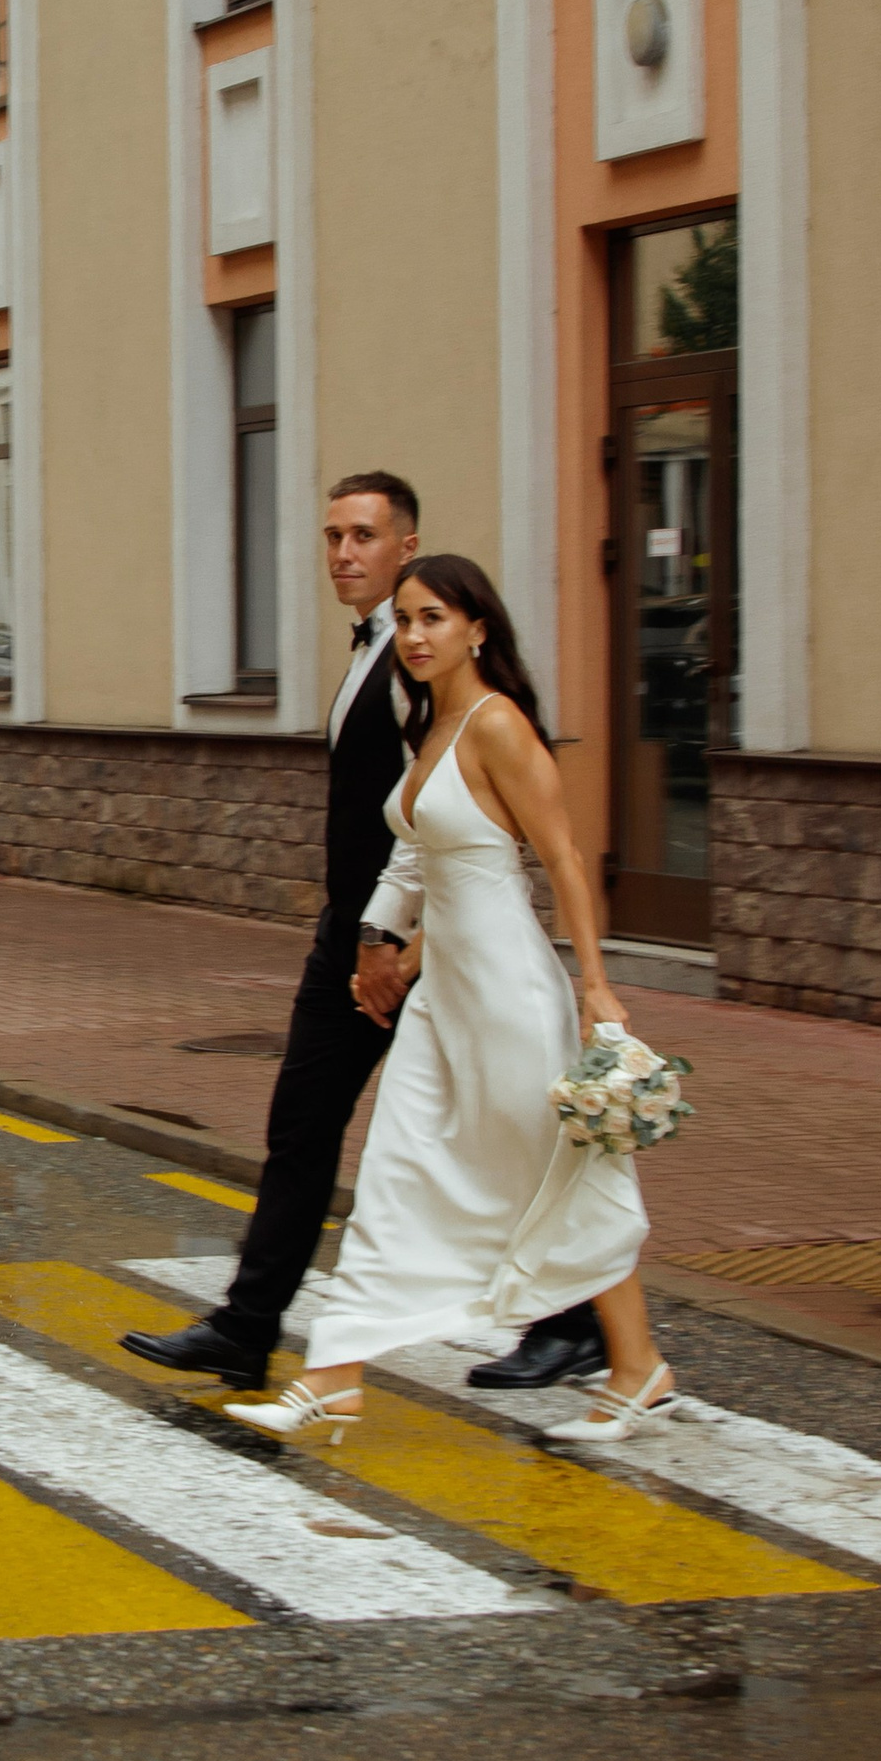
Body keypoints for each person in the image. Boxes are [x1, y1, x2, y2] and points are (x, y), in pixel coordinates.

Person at [123, 475, 603, 1395]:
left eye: (364, 536)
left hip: (410, 945)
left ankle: (573, 1320)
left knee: (500, 1129)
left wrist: (388, 942)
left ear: (407, 544)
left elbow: (448, 815)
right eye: (333, 536)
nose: (343, 553)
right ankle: (246, 1325)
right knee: (307, 1127)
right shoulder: (375, 652)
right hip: (358, 934)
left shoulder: (421, 662)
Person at [225, 551, 680, 1450]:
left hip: (509, 993)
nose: (416, 635)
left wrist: (595, 985)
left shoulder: (498, 724)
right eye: (406, 619)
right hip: (444, 998)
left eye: (434, 617)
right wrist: (391, 946)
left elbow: (561, 860)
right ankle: (333, 1377)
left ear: (478, 627)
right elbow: (433, 866)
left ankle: (637, 1368)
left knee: (559, 1175)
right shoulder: (431, 724)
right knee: (396, 1176)